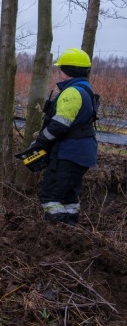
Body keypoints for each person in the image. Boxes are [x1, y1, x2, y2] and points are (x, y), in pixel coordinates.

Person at [29, 48, 98, 225]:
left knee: (50, 196)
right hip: (82, 153)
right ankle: (71, 233)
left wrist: (39, 142)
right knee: (69, 197)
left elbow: (59, 125)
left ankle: (58, 236)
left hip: (69, 153)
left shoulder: (71, 93)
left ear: (66, 70)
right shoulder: (86, 89)